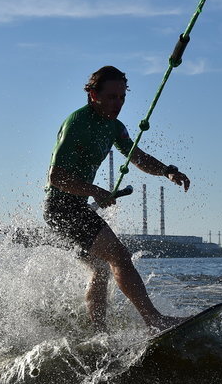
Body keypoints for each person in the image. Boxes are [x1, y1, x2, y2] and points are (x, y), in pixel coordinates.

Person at [44, 66, 191, 332]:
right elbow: (56, 177)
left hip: (75, 206)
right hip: (61, 208)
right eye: (111, 97)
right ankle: (154, 321)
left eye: (122, 97)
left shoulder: (115, 128)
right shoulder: (77, 123)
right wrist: (94, 190)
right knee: (119, 256)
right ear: (93, 95)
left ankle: (99, 335)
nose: (118, 103)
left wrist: (167, 171)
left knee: (100, 269)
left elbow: (138, 157)